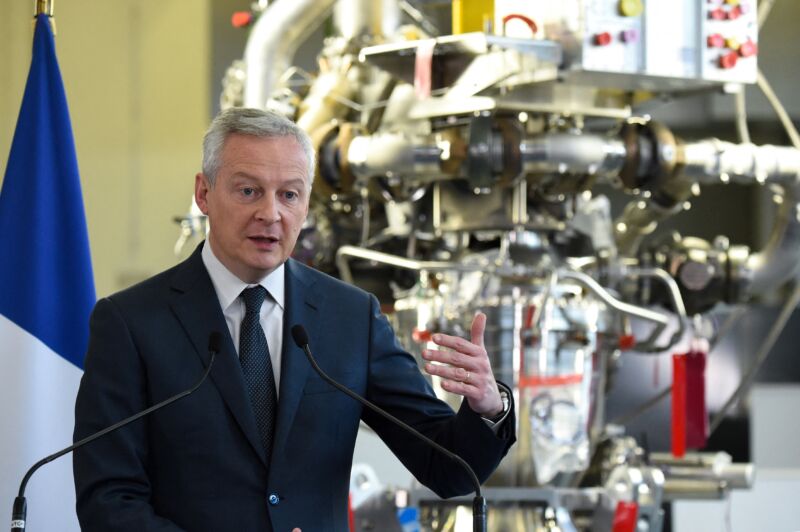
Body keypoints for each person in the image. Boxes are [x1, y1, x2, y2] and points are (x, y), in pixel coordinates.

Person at [73, 107, 515, 532]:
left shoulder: (351, 317)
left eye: (289, 194)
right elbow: (108, 500)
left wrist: (487, 409)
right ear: (203, 194)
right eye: (248, 191)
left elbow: (448, 469)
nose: (271, 213)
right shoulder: (131, 323)